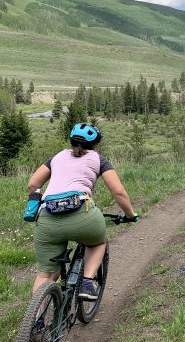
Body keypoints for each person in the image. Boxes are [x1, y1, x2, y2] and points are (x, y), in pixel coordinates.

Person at [26, 122, 137, 300]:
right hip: (82, 215)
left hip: (47, 218)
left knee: (45, 274)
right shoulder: (99, 159)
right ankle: (87, 281)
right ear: (95, 144)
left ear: (71, 141)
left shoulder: (57, 157)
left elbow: (33, 184)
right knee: (98, 242)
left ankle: (36, 321)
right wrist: (130, 215)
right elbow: (118, 192)